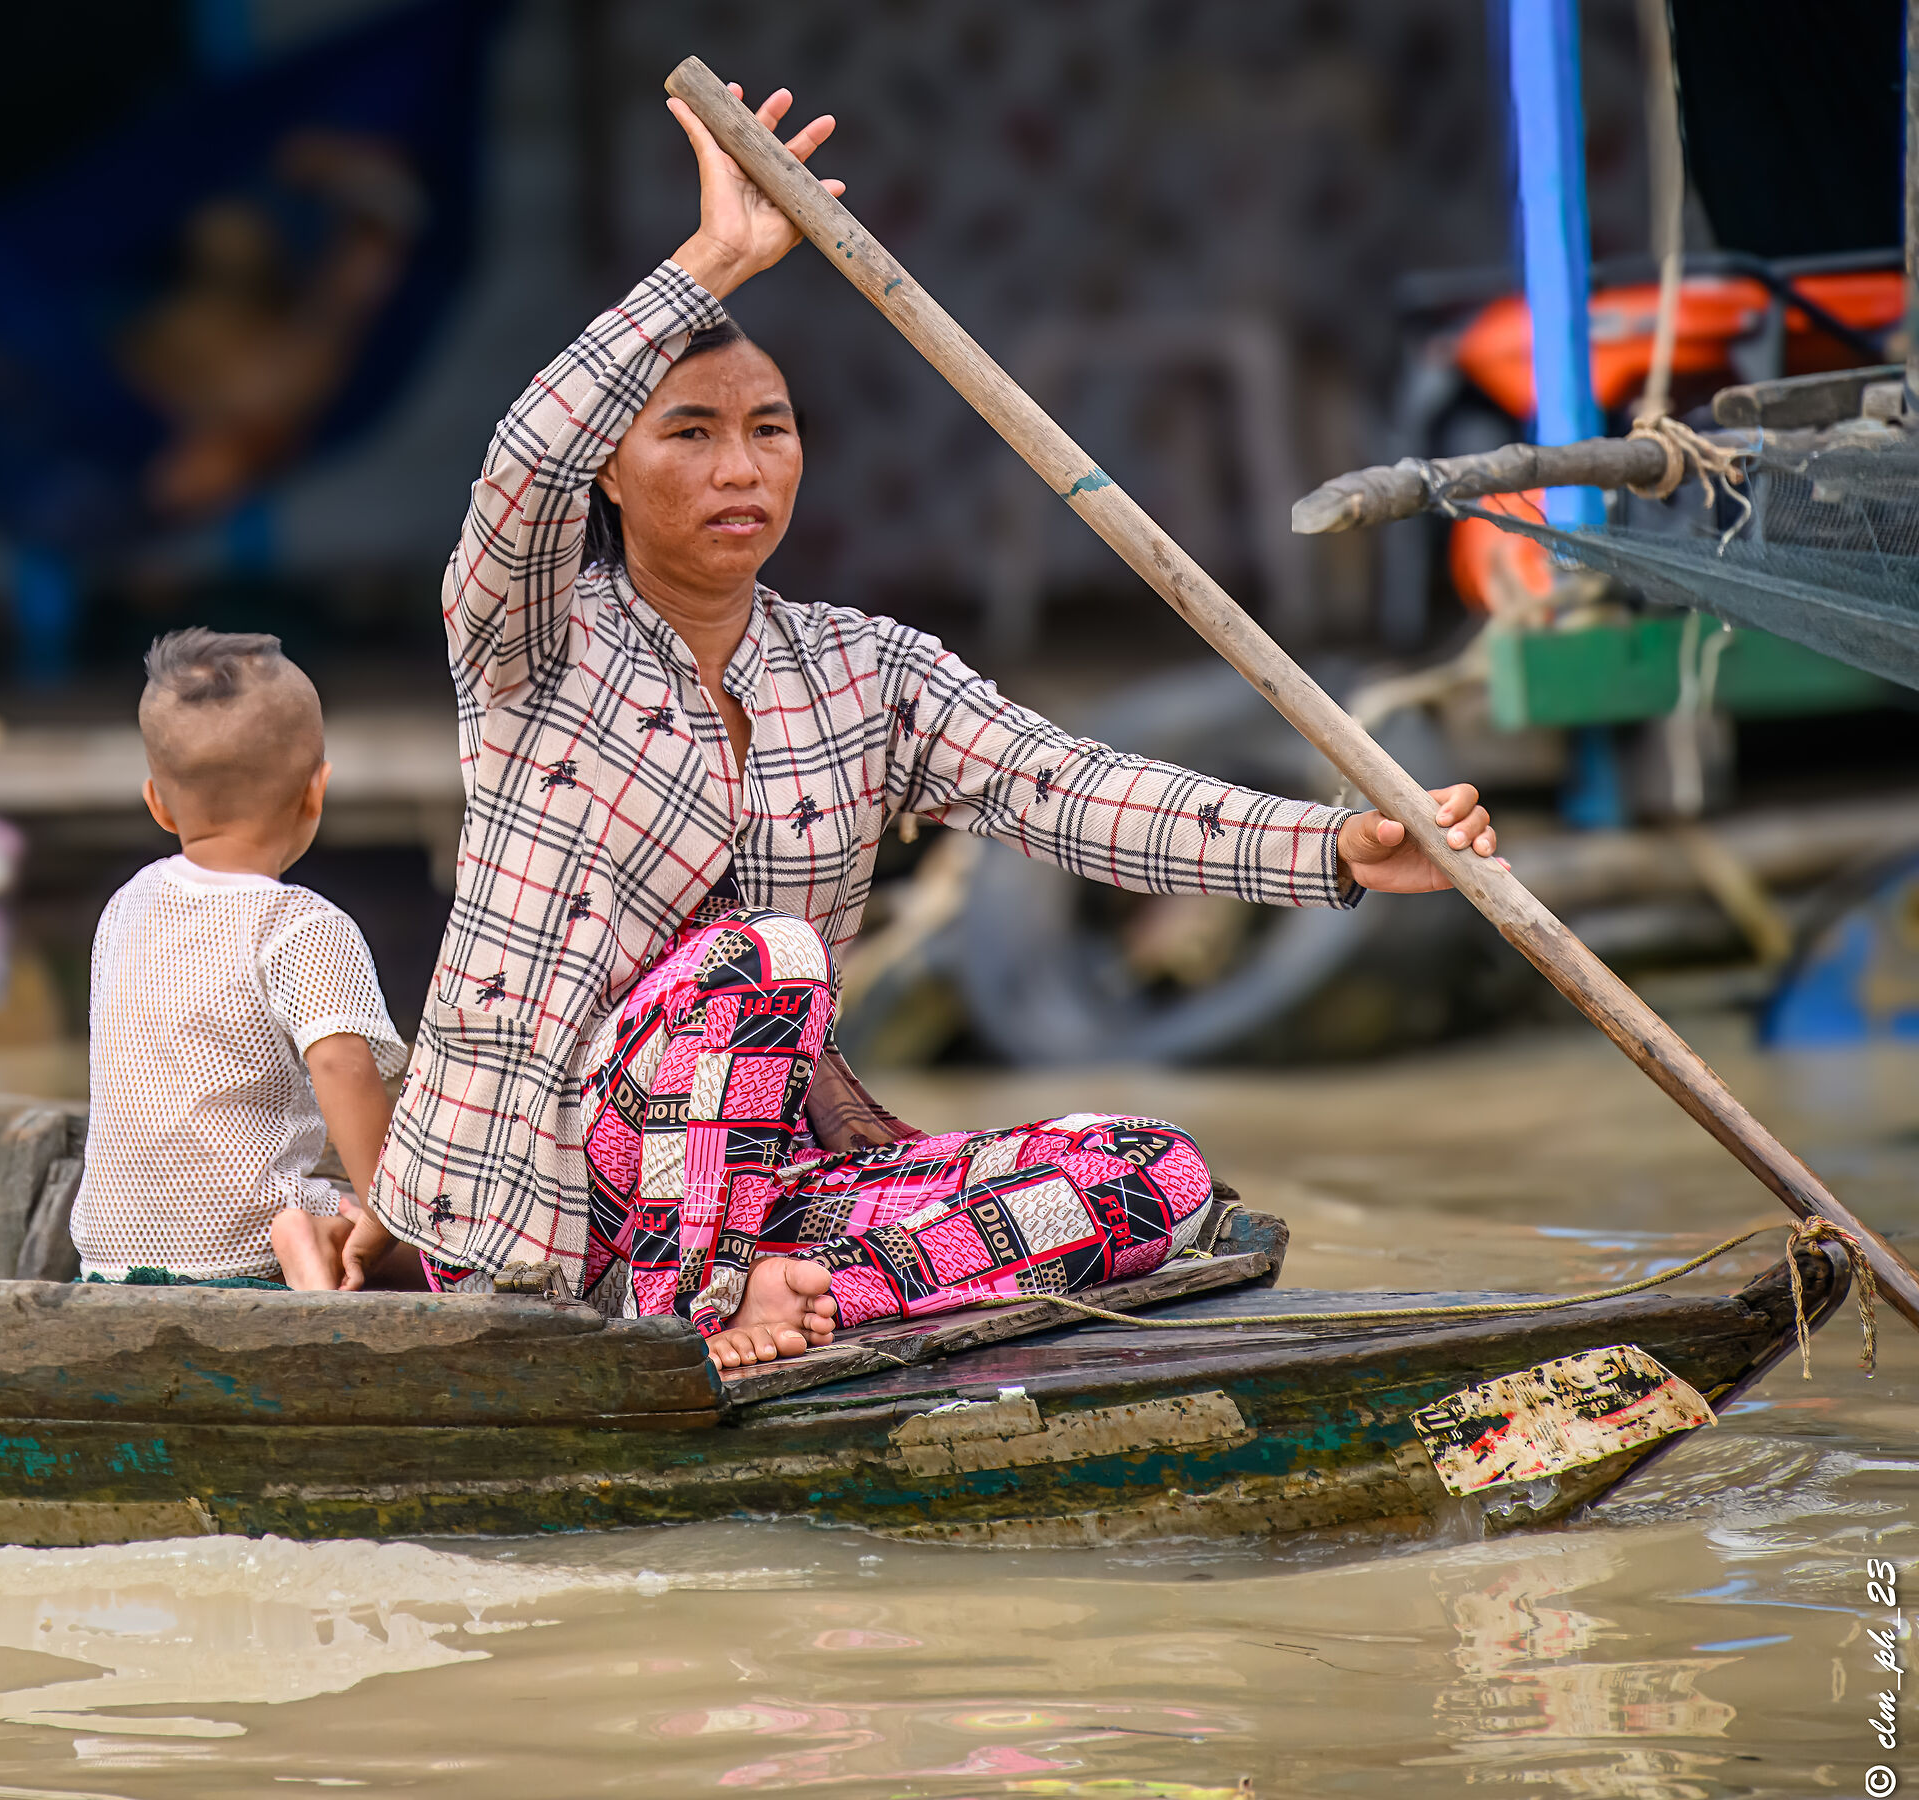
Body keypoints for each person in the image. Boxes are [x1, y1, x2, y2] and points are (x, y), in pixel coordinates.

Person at [358, 86, 1497, 1366]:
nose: (742, 468)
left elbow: (1063, 788)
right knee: (768, 959)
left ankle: (793, 1295)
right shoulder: (537, 639)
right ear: (611, 474)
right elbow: (522, 457)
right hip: (534, 1206)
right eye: (693, 434)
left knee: (1148, 1177)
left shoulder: (861, 670)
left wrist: (1334, 846)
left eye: (769, 431)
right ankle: (690, 1317)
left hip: (756, 1196)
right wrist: (715, 261)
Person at [70, 628, 411, 1291]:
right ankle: (311, 1238)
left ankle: (311, 1237)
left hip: (107, 1260)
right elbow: (342, 1064)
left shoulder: (124, 907)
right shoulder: (299, 925)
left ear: (157, 803)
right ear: (317, 792)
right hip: (245, 1246)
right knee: (441, 1254)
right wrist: (383, 1209)